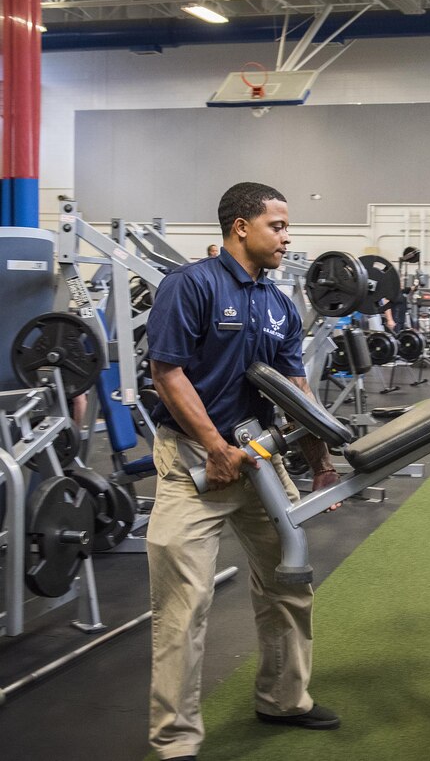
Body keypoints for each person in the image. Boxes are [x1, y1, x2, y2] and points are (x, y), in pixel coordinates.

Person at [145, 183, 342, 761]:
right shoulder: (192, 286)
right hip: (193, 464)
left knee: (289, 579)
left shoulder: (277, 303)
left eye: (287, 226)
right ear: (241, 228)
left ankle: (285, 698)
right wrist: (213, 447)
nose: (287, 236)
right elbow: (167, 373)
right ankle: (176, 741)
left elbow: (294, 388)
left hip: (258, 460)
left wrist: (321, 463)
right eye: (278, 226)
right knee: (183, 606)